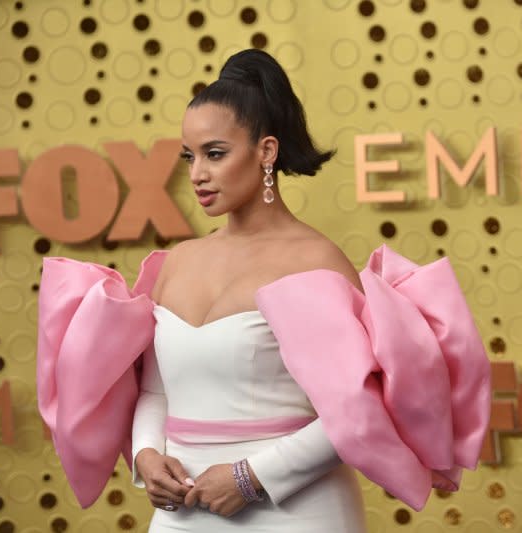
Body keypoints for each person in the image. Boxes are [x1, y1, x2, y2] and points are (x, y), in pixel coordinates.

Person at [36, 49, 490, 533]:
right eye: (190, 157)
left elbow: (360, 412)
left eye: (214, 154)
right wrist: (147, 454)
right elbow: (155, 387)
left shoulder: (314, 261)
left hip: (295, 511)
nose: (197, 175)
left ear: (266, 152)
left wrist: (252, 478)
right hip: (181, 515)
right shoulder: (178, 261)